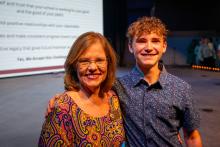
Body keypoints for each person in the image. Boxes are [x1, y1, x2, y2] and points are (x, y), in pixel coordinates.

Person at [47, 17, 203, 147]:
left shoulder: (182, 89)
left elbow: (192, 137)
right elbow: (89, 87)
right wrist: (64, 97)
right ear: (130, 46)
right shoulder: (117, 87)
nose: (148, 47)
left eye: (155, 41)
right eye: (141, 41)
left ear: (164, 46)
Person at [38, 32, 126, 146]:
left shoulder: (114, 99)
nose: (93, 67)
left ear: (108, 63)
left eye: (99, 60)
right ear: (74, 65)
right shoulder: (63, 108)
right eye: (84, 61)